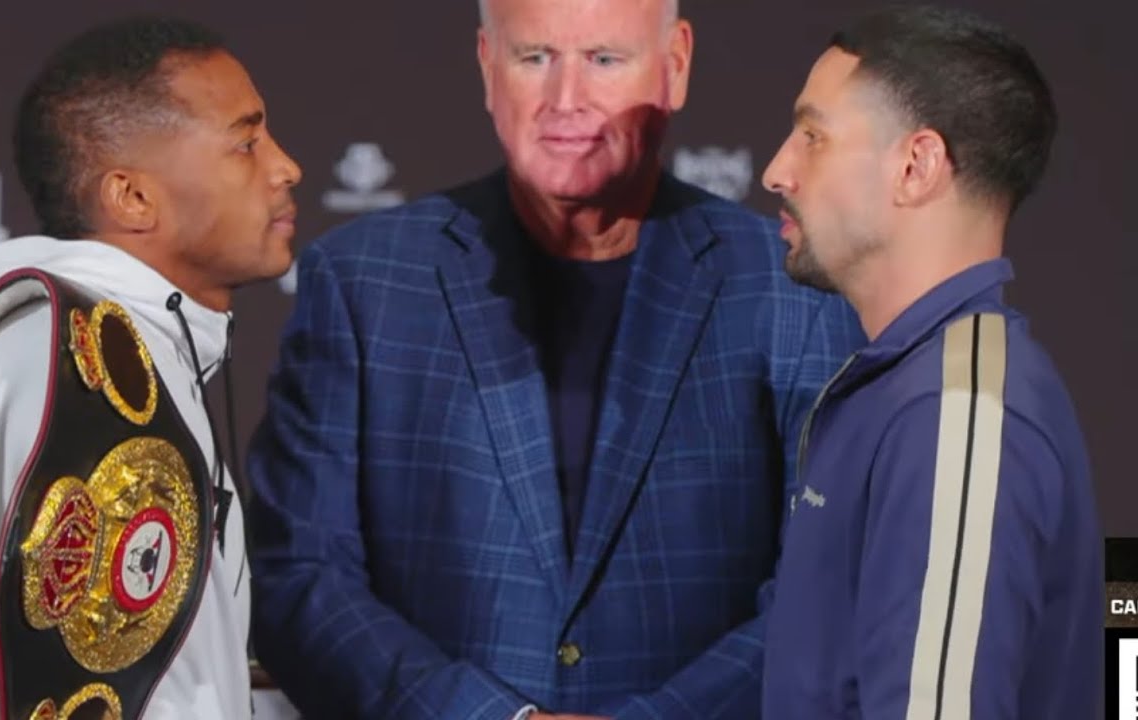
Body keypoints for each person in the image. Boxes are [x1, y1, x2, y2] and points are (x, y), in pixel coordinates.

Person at [246, 0, 864, 717]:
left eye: (604, 60)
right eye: (533, 58)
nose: (564, 100)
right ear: (486, 65)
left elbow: (824, 588)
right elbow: (300, 574)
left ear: (676, 65)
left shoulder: (791, 290)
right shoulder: (363, 281)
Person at [0, 16, 302, 719]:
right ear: (131, 197)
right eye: (245, 144)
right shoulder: (45, 360)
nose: (285, 167)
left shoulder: (152, 351)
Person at [757, 5, 1101, 719]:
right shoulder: (909, 389)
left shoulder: (957, 411)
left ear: (915, 166)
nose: (776, 171)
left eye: (813, 136)